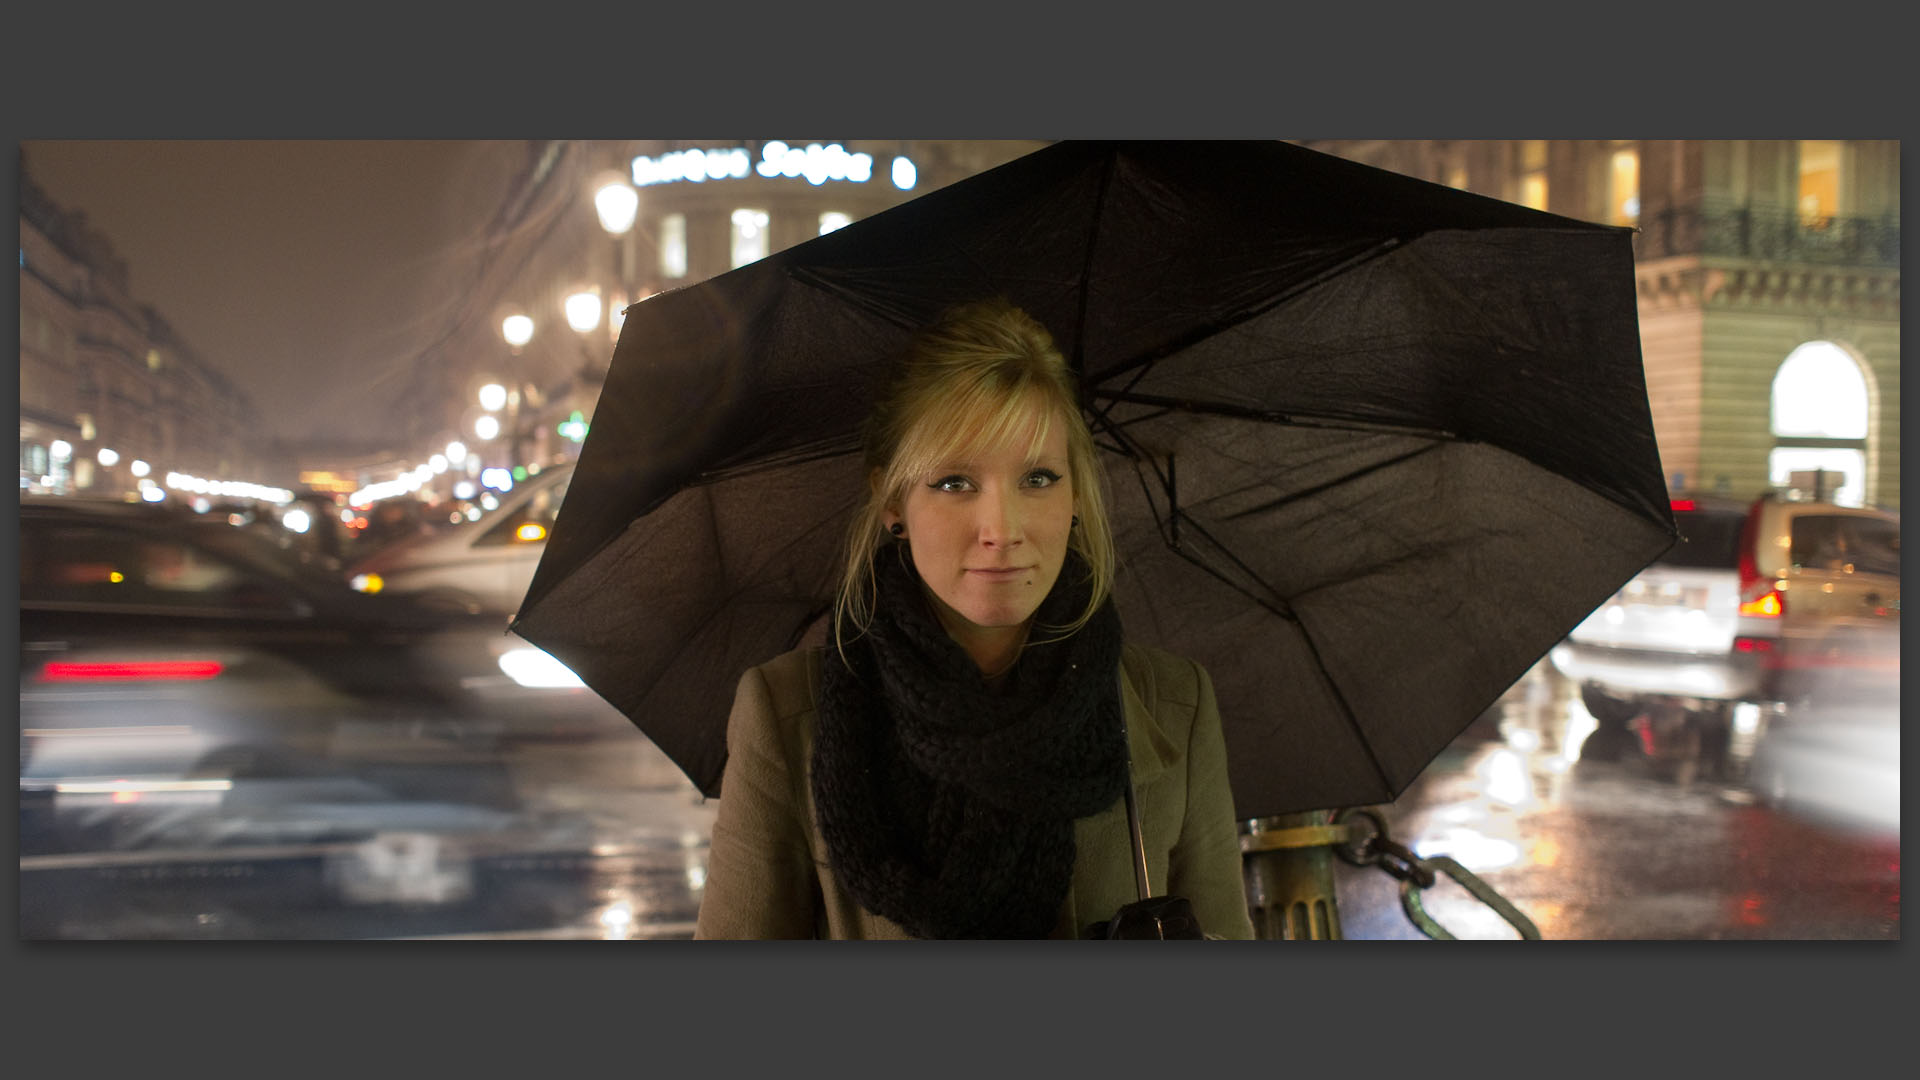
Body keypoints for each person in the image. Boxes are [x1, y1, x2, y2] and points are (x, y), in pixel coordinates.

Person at [694, 298, 1255, 940]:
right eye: (956, 482)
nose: (1002, 529)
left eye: (1038, 478)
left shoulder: (1174, 704)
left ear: (1076, 495)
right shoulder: (788, 712)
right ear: (891, 501)